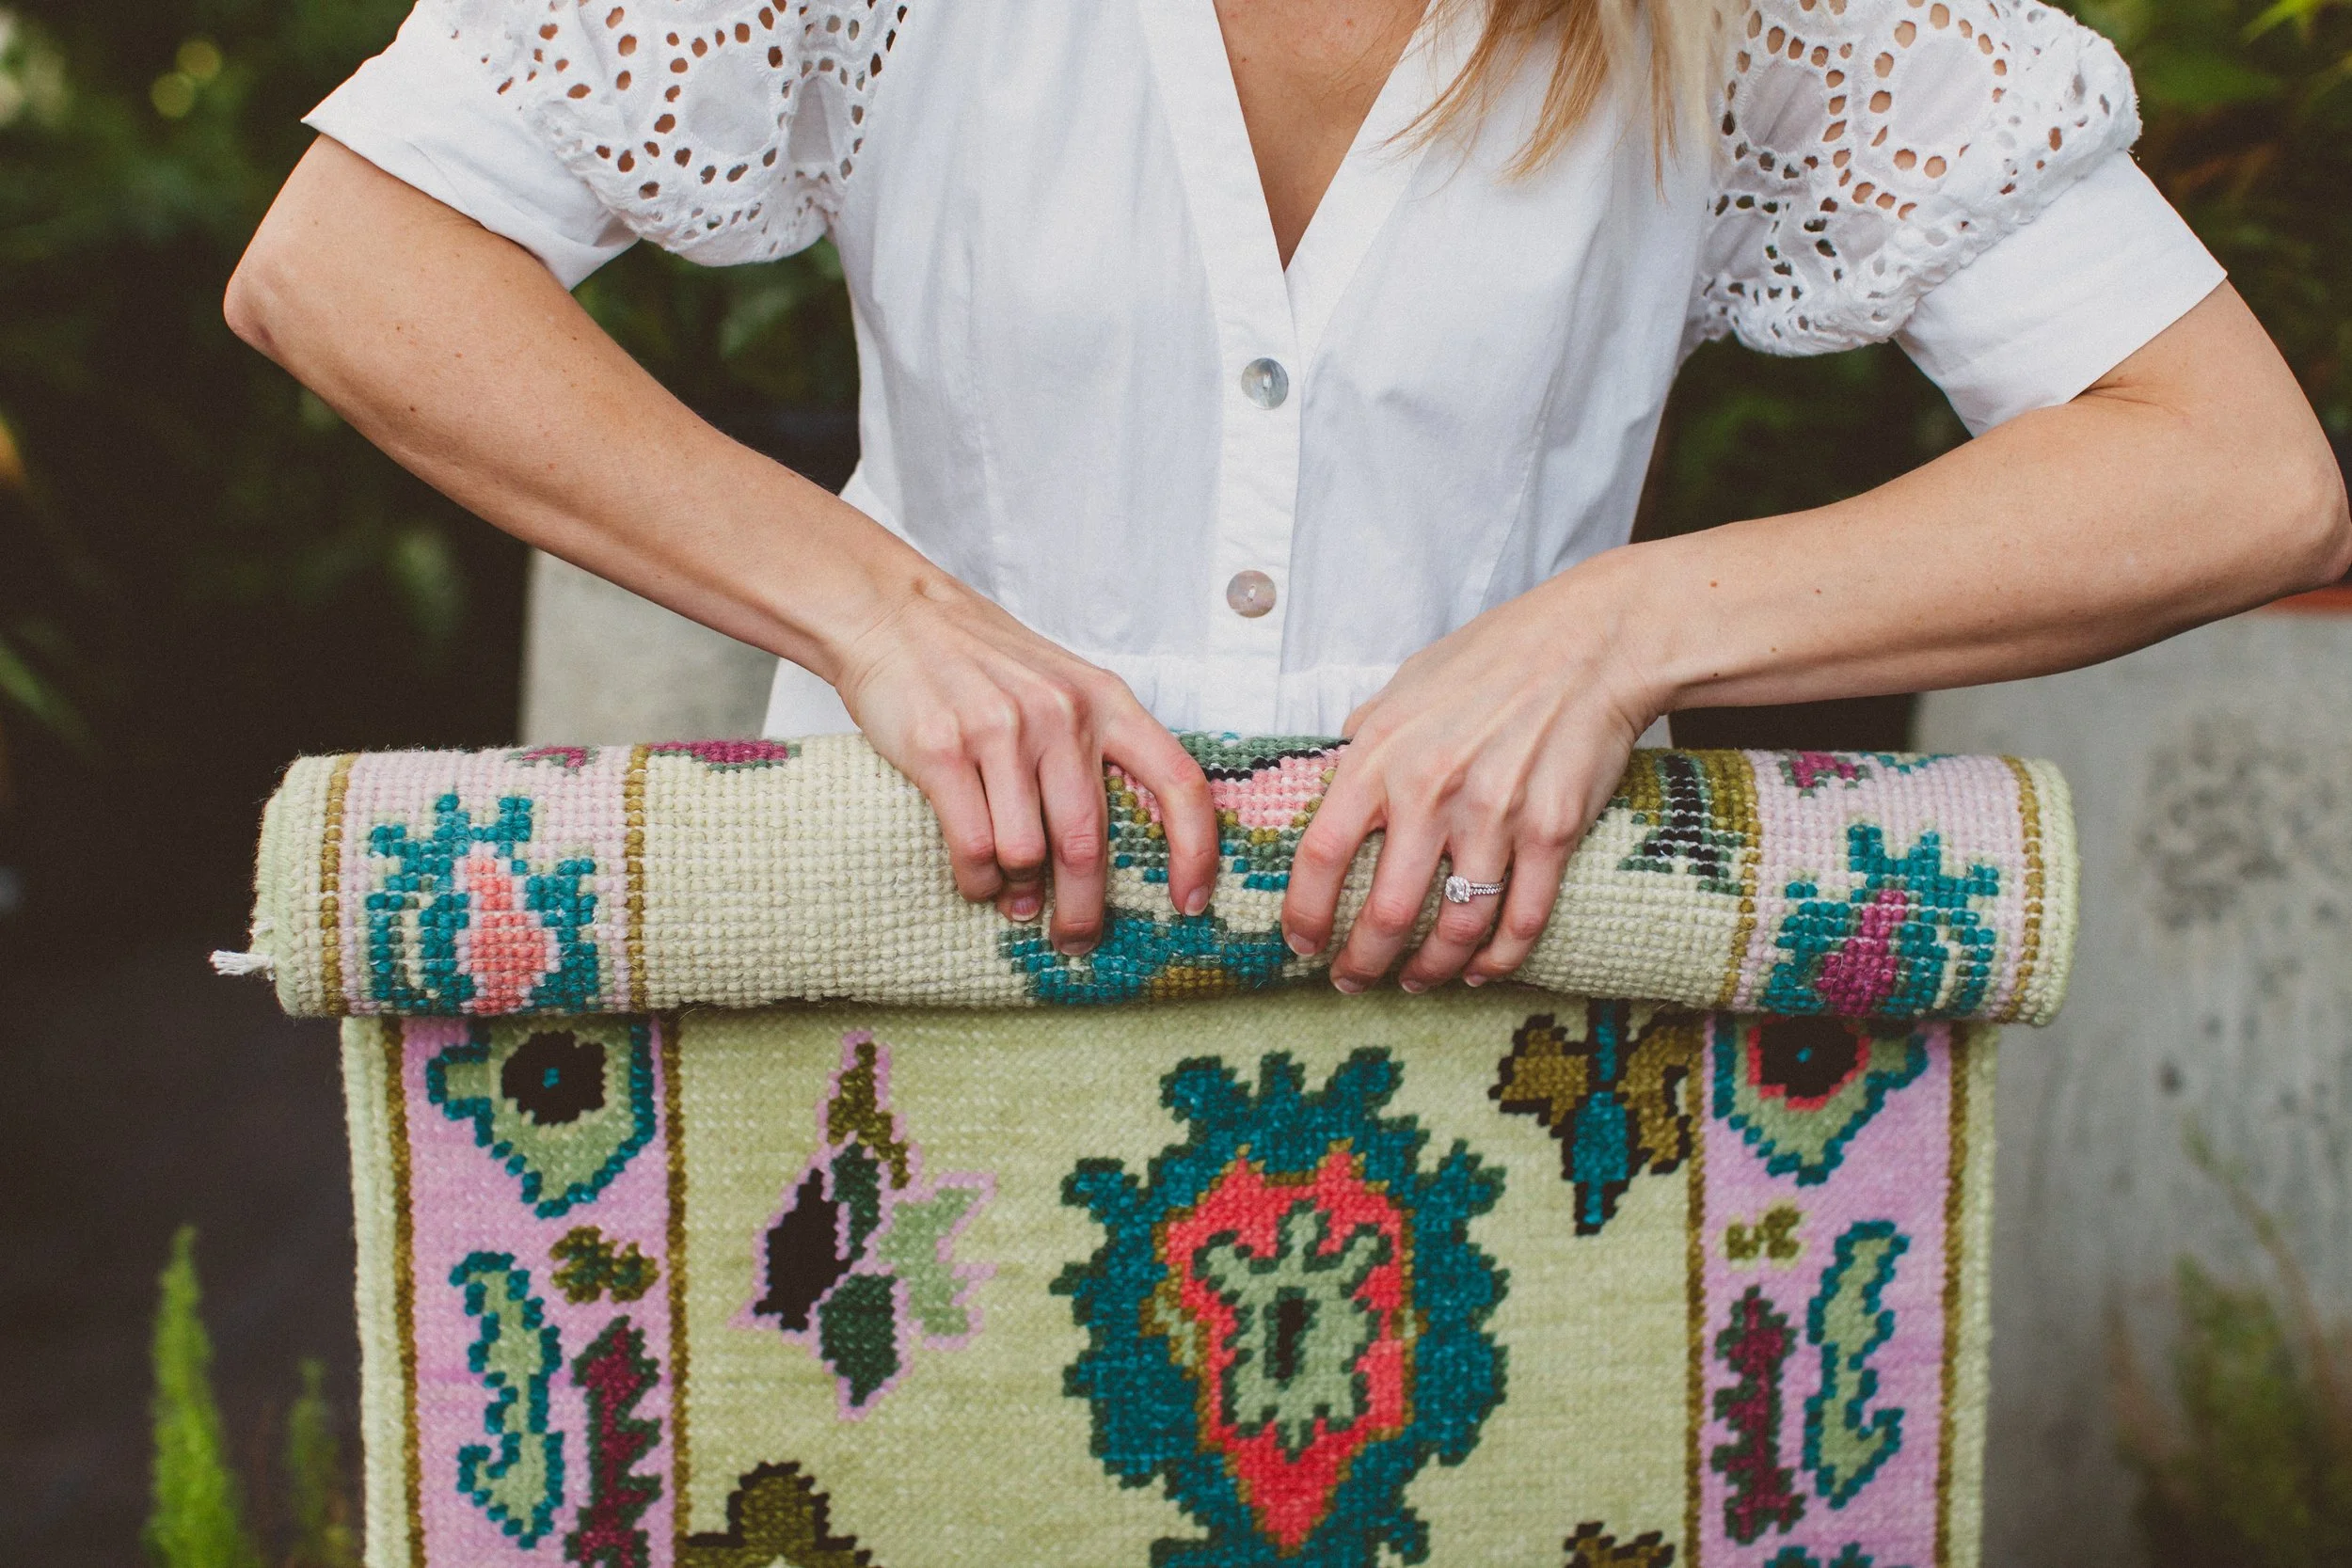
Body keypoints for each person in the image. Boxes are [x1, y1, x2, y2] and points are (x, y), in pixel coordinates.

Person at [225, 0, 2349, 996]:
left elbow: (2236, 470)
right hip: (894, 992)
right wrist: (882, 610)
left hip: (1521, 1057)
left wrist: (1617, 630)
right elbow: (349, 258)